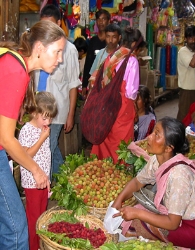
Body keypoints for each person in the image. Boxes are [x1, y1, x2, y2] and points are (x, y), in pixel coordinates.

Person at [0, 20, 66, 249]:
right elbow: (6, 138)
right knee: (17, 230)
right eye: (57, 52)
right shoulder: (15, 70)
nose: (60, 59)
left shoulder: (19, 66)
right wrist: (36, 170)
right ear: (39, 48)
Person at [112, 117, 195, 249]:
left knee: (134, 222)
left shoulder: (179, 175)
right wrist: (119, 199)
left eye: (156, 135)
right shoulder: (156, 161)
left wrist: (138, 214)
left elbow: (173, 223)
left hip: (193, 228)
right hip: (176, 217)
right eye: (153, 132)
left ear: (169, 148)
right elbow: (137, 182)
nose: (149, 137)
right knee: (135, 211)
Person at [34, 4, 81, 180]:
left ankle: (53, 182)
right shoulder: (37, 46)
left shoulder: (69, 50)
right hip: (37, 109)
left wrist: (70, 114)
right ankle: (64, 182)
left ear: (59, 23)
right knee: (48, 147)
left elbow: (73, 84)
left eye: (51, 25)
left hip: (57, 111)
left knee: (47, 147)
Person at [90, 27, 144, 163]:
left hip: (107, 103)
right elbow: (131, 92)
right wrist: (135, 109)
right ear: (133, 44)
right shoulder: (132, 60)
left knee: (107, 136)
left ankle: (102, 167)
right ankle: (118, 171)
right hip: (123, 106)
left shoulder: (112, 56)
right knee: (121, 142)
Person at [18, 92, 57, 250]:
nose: (48, 122)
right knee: (34, 216)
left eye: (50, 118)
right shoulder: (27, 130)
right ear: (34, 113)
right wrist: (42, 138)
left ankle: (39, 243)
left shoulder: (43, 128)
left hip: (43, 179)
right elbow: (26, 155)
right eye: (45, 118)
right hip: (32, 182)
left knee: (42, 213)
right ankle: (32, 246)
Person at [82, 9, 111, 99]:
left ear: (108, 21)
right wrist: (84, 84)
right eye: (98, 19)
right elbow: (88, 62)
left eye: (103, 19)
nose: (101, 22)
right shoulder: (93, 41)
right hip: (94, 83)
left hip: (108, 82)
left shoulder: (112, 40)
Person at [177, 25, 195, 122]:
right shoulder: (183, 51)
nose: (194, 41)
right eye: (191, 38)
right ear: (186, 39)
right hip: (187, 91)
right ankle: (179, 137)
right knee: (184, 118)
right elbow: (193, 64)